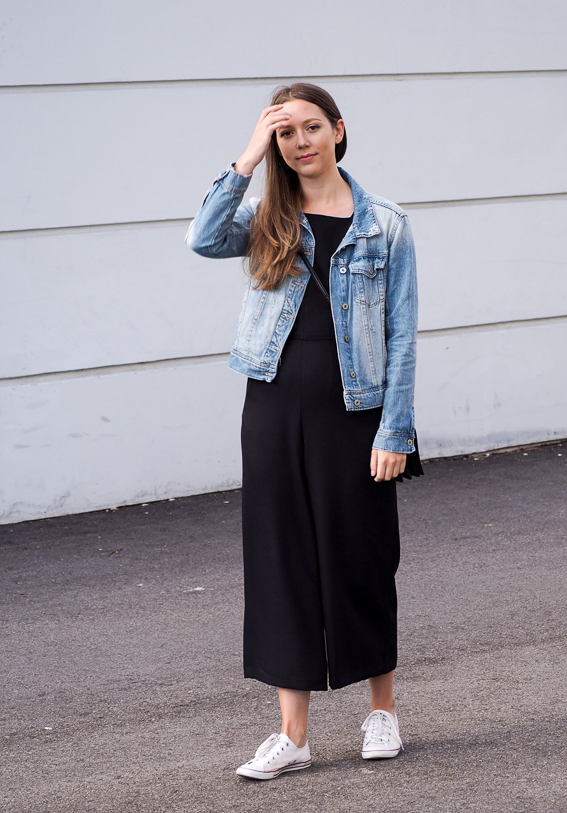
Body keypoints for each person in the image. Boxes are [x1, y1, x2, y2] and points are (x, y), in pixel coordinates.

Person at [186, 82, 419, 780]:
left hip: (355, 413)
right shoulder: (265, 214)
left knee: (364, 560)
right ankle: (293, 733)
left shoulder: (387, 223)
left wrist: (395, 431)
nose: (301, 142)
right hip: (272, 407)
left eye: (311, 127)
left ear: (338, 130)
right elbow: (202, 237)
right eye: (286, 133)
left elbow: (401, 333)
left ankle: (382, 711)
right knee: (281, 563)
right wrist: (247, 156)